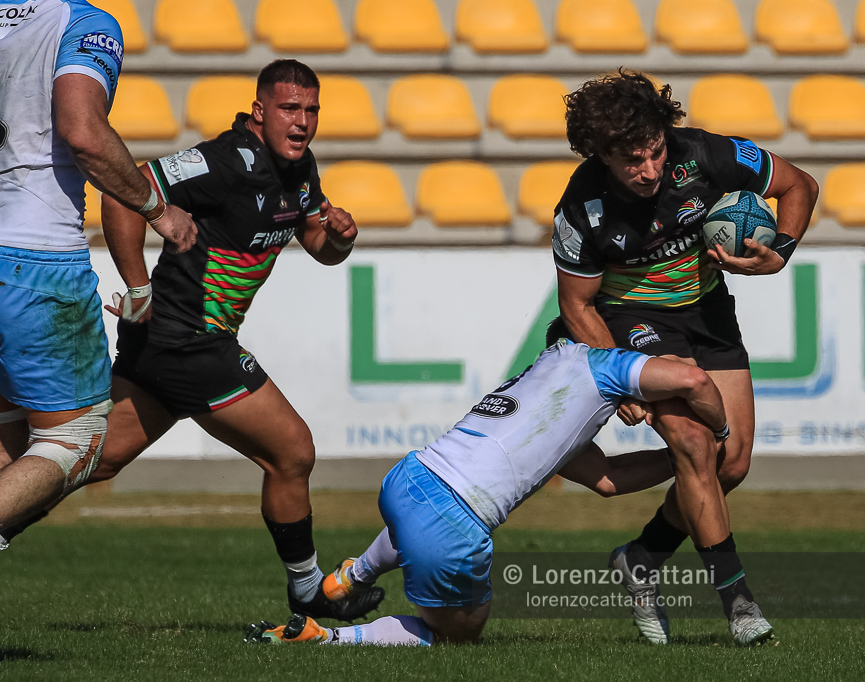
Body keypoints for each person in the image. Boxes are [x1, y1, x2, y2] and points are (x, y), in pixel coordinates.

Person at [8, 59, 380, 623]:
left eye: (311, 110)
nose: (301, 121)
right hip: (189, 341)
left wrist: (341, 239)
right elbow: (124, 192)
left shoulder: (299, 170)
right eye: (289, 108)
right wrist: (138, 287)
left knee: (87, 459)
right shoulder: (226, 161)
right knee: (293, 451)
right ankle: (308, 590)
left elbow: (316, 243)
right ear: (259, 111)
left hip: (169, 346)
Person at [245, 322, 772, 647]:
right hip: (454, 524)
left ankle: (350, 576)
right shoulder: (601, 363)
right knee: (457, 636)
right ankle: (324, 636)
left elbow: (609, 480)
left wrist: (677, 458)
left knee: (422, 524)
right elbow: (694, 381)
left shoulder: (539, 383)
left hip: (408, 479)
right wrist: (720, 435)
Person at [552, 69, 818, 644]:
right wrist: (619, 376)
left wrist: (781, 251)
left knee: (732, 463)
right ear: (601, 154)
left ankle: (642, 558)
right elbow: (577, 306)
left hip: (707, 310)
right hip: (632, 321)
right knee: (695, 443)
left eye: (655, 152)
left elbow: (800, 185)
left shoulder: (704, 153)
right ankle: (739, 604)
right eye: (632, 161)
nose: (649, 170)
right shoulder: (580, 205)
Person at [0, 0, 196, 549]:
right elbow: (83, 132)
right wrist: (158, 210)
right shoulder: (83, 23)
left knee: (10, 443)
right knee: (75, 442)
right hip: (33, 256)